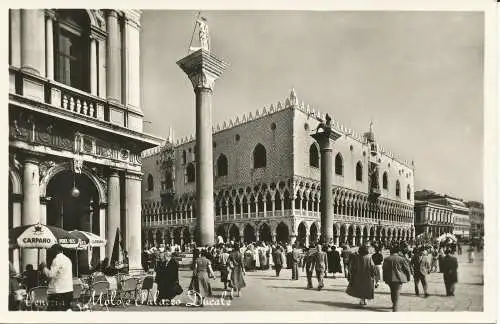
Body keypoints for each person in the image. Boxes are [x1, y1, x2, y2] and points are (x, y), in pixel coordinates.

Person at [41, 244, 74, 311]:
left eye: (52, 251)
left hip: (58, 291)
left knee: (53, 312)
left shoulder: (57, 260)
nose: (51, 252)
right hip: (68, 289)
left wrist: (44, 267)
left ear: (56, 251)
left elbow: (50, 274)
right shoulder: (68, 259)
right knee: (66, 311)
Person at [382, 244, 412, 312]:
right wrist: (408, 277)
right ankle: (395, 308)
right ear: (398, 252)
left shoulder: (387, 259)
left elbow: (384, 269)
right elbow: (407, 269)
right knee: (397, 292)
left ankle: (393, 304)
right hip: (398, 278)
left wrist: (384, 278)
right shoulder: (401, 259)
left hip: (389, 278)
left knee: (392, 291)